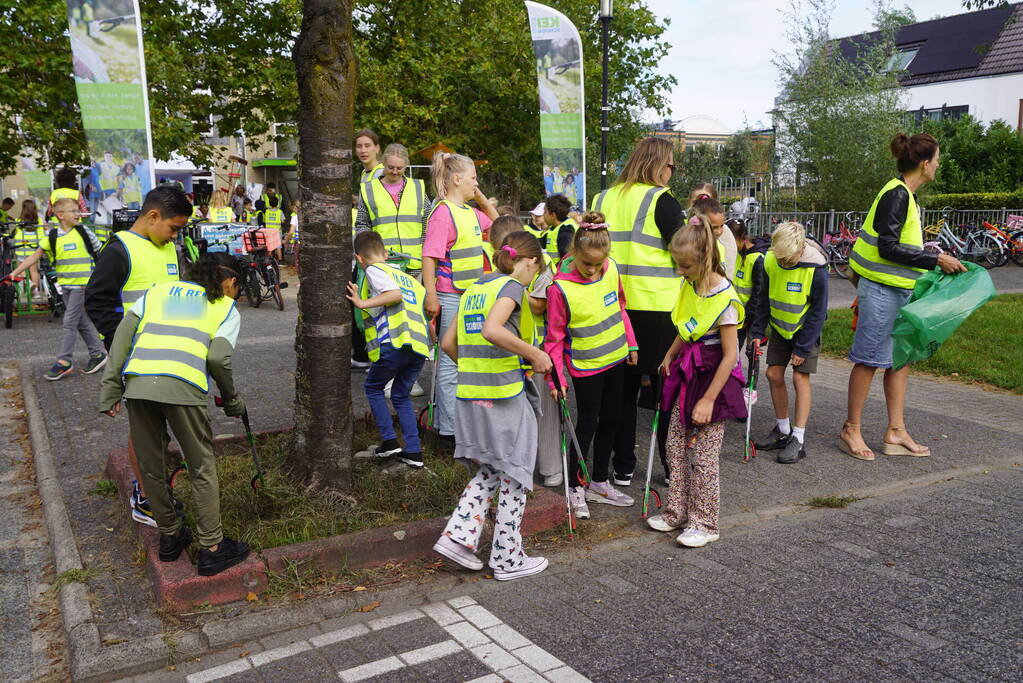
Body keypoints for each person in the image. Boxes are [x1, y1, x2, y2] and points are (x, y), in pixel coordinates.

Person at [98, 251, 250, 576]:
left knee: (151, 464)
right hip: (183, 385)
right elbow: (219, 359)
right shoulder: (224, 307)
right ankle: (212, 548)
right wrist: (232, 398)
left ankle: (170, 537)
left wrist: (110, 387)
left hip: (138, 384)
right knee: (201, 467)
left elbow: (124, 335)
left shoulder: (159, 291)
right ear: (231, 282)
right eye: (239, 287)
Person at [433, 231, 552, 581]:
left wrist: (473, 368)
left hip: (471, 393)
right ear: (528, 262)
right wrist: (535, 354)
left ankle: (457, 538)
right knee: (516, 472)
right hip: (503, 394)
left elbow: (448, 342)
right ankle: (507, 557)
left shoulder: (474, 289)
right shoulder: (511, 287)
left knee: (490, 469)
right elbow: (492, 330)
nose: (533, 280)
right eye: (536, 270)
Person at [841, 133, 965, 461]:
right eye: (936, 159)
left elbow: (899, 245)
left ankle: (895, 431)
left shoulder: (905, 195)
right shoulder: (896, 195)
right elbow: (888, 247)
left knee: (901, 359)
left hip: (899, 289)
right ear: (925, 164)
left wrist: (930, 256)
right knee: (869, 359)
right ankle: (851, 429)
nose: (938, 164)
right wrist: (934, 259)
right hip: (880, 290)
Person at [86, 186, 189, 526]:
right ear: (152, 216)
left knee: (159, 428)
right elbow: (98, 300)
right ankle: (146, 498)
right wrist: (122, 346)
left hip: (169, 354)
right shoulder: (119, 250)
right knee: (146, 431)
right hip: (138, 358)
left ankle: (154, 491)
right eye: (173, 228)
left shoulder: (166, 247)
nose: (175, 236)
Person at [647, 213, 747, 547]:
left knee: (703, 457)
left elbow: (730, 355)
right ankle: (677, 511)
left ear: (704, 260)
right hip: (687, 374)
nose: (679, 272)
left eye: (685, 266)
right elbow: (687, 326)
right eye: (677, 264)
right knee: (675, 444)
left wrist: (707, 400)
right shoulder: (691, 285)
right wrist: (670, 354)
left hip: (713, 383)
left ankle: (705, 523)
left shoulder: (725, 300)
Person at [591, 137, 684, 486]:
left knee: (621, 393)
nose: (672, 172)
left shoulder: (602, 198)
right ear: (659, 165)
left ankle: (623, 466)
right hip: (657, 309)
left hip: (611, 308)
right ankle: (673, 468)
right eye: (672, 165)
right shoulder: (662, 200)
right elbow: (686, 251)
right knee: (667, 393)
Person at [545, 213, 638, 519]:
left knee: (612, 419)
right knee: (587, 425)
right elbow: (554, 338)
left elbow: (620, 306)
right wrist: (556, 378)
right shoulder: (560, 288)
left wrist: (631, 342)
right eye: (588, 264)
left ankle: (599, 481)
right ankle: (576, 486)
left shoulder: (610, 269)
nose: (594, 270)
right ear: (574, 254)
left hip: (615, 358)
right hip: (585, 366)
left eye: (599, 264)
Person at [421, 152, 499, 451]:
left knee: (461, 360)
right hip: (449, 295)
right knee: (449, 363)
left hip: (469, 295)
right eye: (473, 178)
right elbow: (430, 255)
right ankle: (448, 433)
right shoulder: (443, 213)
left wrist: (478, 195)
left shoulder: (467, 211)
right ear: (457, 179)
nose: (476, 184)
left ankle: (447, 425)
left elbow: (499, 221)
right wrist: (430, 294)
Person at [746, 222, 828, 464]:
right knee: (773, 374)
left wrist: (803, 347)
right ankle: (783, 430)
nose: (784, 263)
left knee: (799, 378)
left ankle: (798, 438)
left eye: (788, 259)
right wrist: (757, 333)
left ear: (800, 248)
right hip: (781, 327)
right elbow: (763, 300)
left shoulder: (816, 266)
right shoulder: (770, 261)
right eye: (780, 258)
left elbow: (818, 311)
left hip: (805, 330)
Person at [347, 231, 430, 467]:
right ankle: (413, 452)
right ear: (385, 253)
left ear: (359, 259)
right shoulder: (407, 277)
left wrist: (362, 303)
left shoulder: (375, 270)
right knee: (400, 395)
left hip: (396, 342)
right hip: (418, 346)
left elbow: (393, 295)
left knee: (373, 387)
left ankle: (390, 442)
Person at [8, 198, 107, 379]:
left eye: (78, 210)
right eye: (73, 211)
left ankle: (64, 361)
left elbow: (103, 254)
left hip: (82, 286)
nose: (78, 214)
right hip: (66, 286)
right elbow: (34, 256)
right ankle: (97, 354)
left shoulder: (84, 232)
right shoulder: (52, 236)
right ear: (60, 215)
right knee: (81, 321)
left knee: (69, 322)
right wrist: (15, 272)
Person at [356, 143, 431, 276]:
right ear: (383, 163)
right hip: (382, 263)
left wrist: (426, 253)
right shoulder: (368, 189)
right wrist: (369, 254)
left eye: (399, 168)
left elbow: (428, 221)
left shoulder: (417, 187)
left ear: (406, 165)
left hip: (415, 263)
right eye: (391, 167)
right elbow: (362, 225)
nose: (395, 172)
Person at [727, 218, 765, 350]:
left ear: (743, 238)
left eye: (732, 242)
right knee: (733, 348)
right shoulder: (735, 253)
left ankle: (753, 371)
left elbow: (758, 294)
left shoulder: (757, 259)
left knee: (752, 350)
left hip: (752, 315)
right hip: (737, 312)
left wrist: (747, 317)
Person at [689, 186, 736, 280]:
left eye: (721, 226)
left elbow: (729, 266)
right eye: (714, 227)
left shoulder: (724, 239)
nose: (719, 232)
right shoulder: (686, 234)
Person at [13, 199, 45, 297]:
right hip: (34, 249)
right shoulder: (39, 220)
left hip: (21, 248)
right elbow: (42, 234)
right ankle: (36, 293)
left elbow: (17, 233)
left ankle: (29, 284)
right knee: (34, 271)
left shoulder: (18, 220)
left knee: (21, 270)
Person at [541, 194, 577, 262]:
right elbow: (540, 242)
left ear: (553, 215)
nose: (543, 215)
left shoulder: (566, 231)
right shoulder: (554, 228)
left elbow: (566, 260)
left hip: (561, 271)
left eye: (545, 212)